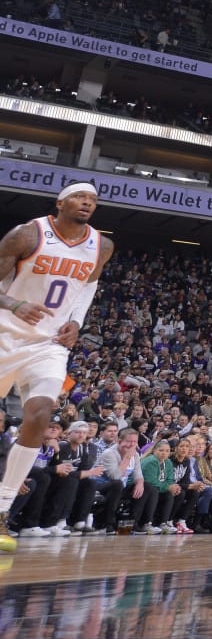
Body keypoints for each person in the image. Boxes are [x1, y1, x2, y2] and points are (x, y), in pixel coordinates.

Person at [0, 183, 112, 552]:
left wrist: (77, 323)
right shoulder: (27, 234)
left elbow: (87, 289)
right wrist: (14, 305)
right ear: (61, 202)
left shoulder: (101, 246)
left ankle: (2, 509)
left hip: (48, 345)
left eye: (93, 200)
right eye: (81, 197)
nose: (87, 204)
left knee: (42, 412)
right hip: (5, 334)